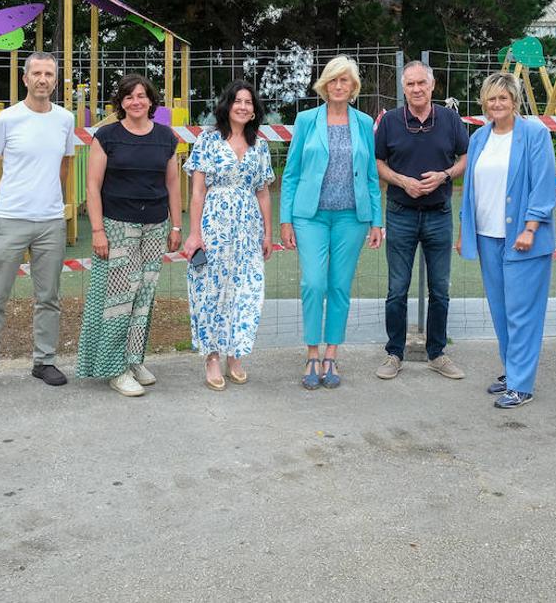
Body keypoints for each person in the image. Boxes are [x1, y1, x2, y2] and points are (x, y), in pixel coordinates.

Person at [0, 52, 76, 395]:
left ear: (55, 80)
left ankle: (44, 360)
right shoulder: (6, 119)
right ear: (25, 79)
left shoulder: (65, 119)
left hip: (49, 222)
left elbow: (65, 165)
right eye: (37, 73)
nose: (43, 79)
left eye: (49, 74)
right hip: (9, 219)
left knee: (49, 297)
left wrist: (54, 202)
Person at [280, 55, 383, 390]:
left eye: (346, 81)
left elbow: (370, 176)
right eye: (333, 80)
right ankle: (312, 352)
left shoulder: (364, 123)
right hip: (310, 217)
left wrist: (376, 221)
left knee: (339, 286)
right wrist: (285, 221)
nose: (339, 86)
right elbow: (291, 173)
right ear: (324, 85)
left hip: (351, 218)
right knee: (313, 284)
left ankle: (331, 355)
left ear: (353, 87)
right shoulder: (307, 120)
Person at [77, 74, 182, 396]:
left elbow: (173, 184)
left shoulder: (166, 138)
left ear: (151, 101)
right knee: (118, 299)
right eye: (128, 97)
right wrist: (97, 231)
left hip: (155, 226)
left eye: (141, 96)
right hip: (116, 226)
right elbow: (92, 186)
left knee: (143, 296)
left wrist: (176, 225)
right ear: (120, 103)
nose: (136, 101)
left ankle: (133, 358)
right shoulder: (106, 136)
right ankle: (115, 369)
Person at [457, 72, 556, 409]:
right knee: (500, 311)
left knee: (522, 313)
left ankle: (522, 384)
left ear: (514, 101)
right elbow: (470, 189)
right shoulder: (479, 138)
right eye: (490, 98)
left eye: (503, 98)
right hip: (487, 236)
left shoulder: (534, 134)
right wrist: (465, 230)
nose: (496, 104)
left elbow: (543, 185)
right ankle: (512, 371)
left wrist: (531, 227)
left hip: (522, 237)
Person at [374, 60, 468, 381]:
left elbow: (465, 157)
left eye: (421, 83)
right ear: (404, 88)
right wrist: (403, 181)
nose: (416, 89)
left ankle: (437, 353)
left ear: (432, 86)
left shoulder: (450, 120)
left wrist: (445, 174)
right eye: (410, 84)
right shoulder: (389, 122)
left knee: (440, 289)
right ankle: (394, 353)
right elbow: (378, 163)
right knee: (397, 289)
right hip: (400, 214)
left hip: (439, 215)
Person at [182, 80, 275, 389]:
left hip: (248, 229)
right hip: (213, 226)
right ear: (227, 105)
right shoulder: (207, 141)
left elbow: (263, 192)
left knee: (246, 290)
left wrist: (267, 233)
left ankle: (235, 353)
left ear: (254, 109)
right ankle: (211, 357)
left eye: (249, 102)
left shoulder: (259, 145)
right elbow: (197, 192)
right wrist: (194, 234)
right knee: (210, 289)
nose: (243, 106)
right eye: (238, 101)